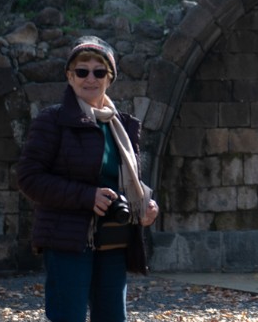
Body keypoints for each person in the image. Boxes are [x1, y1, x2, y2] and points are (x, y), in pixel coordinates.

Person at [17, 36, 159, 322]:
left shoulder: (124, 126)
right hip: (69, 241)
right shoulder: (52, 121)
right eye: (82, 71)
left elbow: (125, 181)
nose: (90, 78)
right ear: (70, 77)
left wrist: (144, 205)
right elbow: (29, 178)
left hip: (113, 242)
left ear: (110, 78)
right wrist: (86, 197)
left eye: (99, 71)